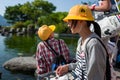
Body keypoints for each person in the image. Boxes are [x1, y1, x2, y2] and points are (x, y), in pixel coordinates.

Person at [55, 5, 108, 80]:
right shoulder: (81, 40)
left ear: (81, 21)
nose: (68, 24)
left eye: (70, 20)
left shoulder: (94, 44)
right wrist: (67, 67)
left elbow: (97, 75)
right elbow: (81, 65)